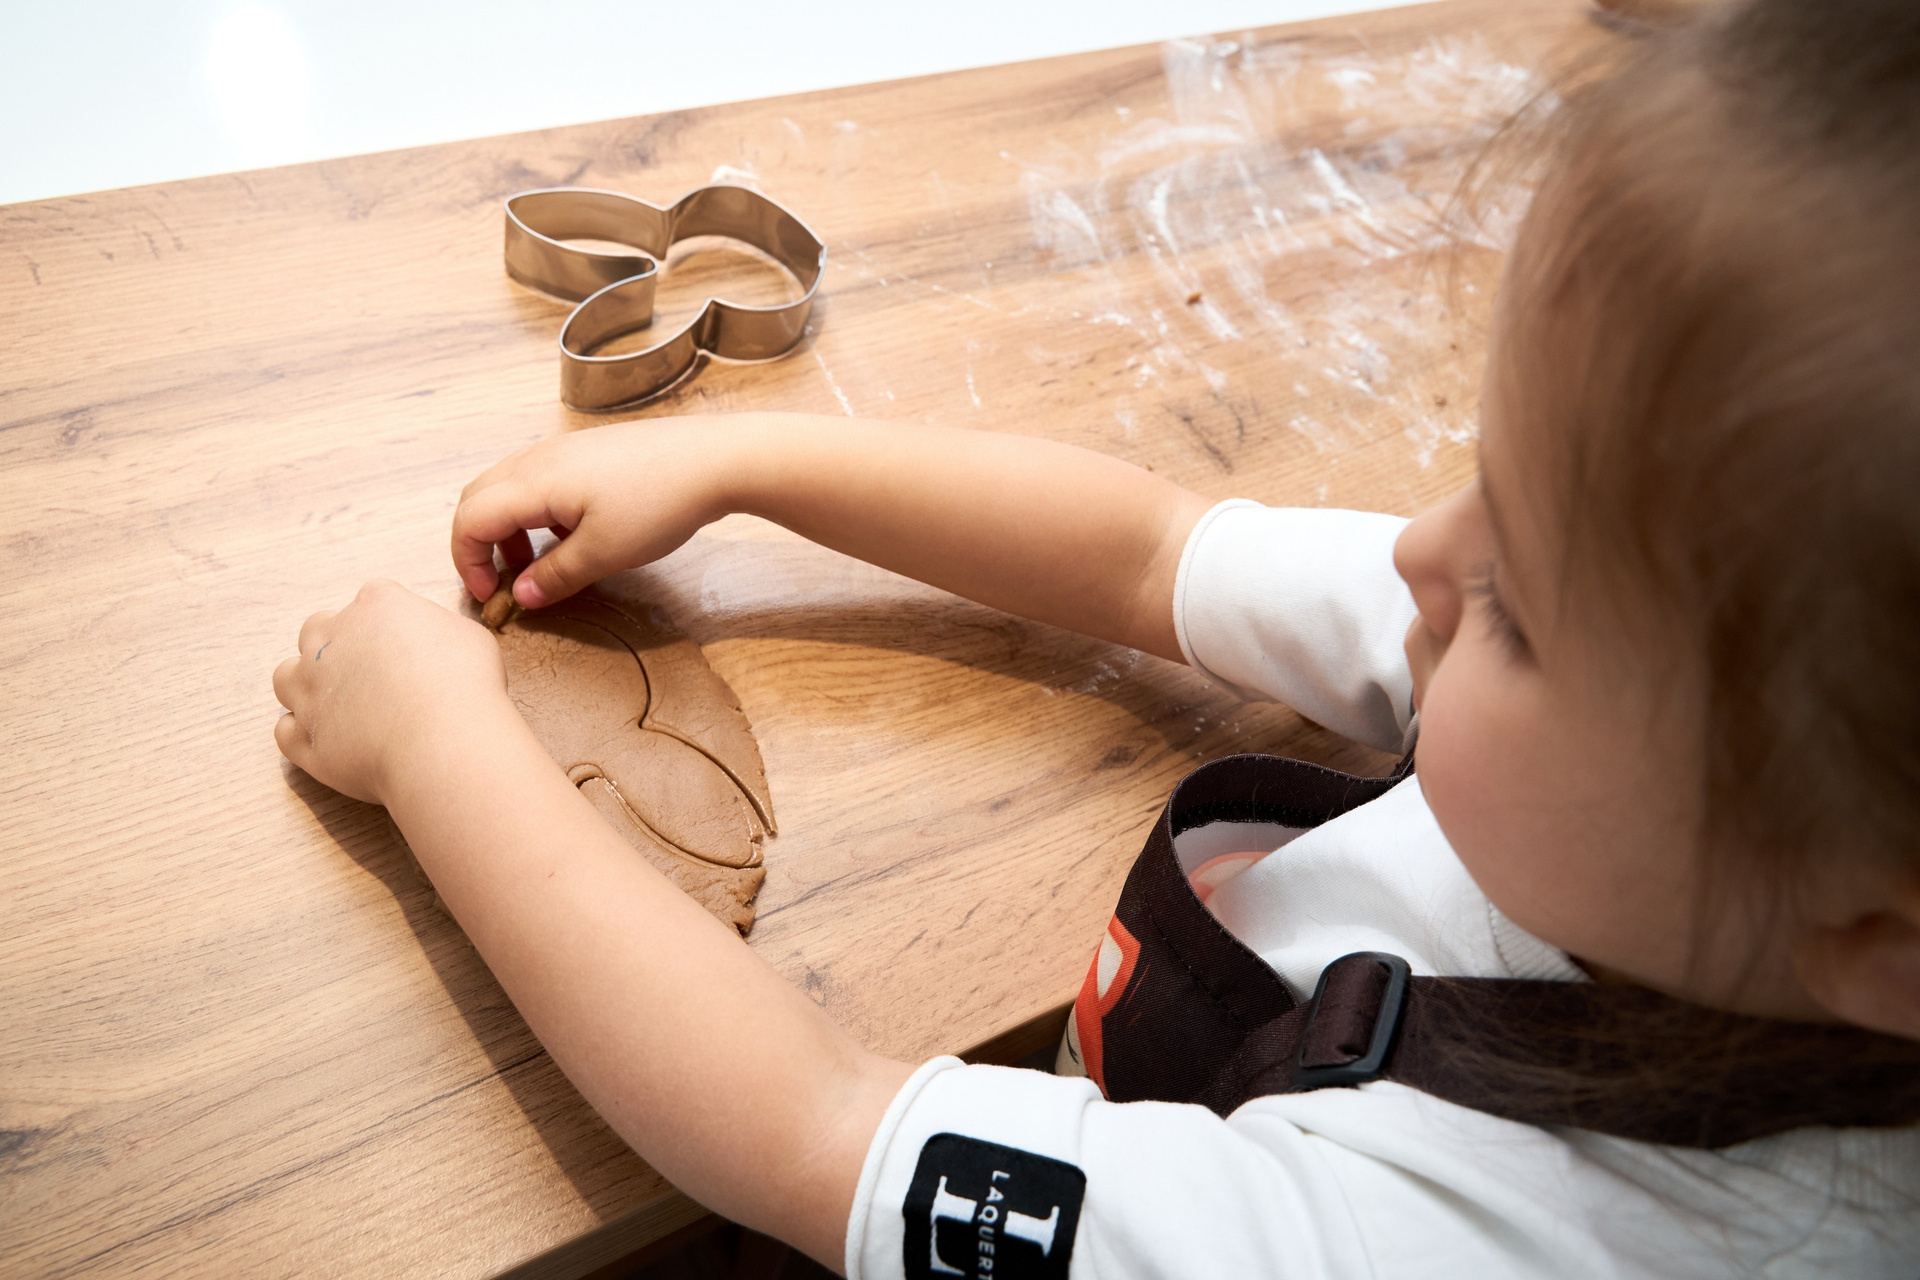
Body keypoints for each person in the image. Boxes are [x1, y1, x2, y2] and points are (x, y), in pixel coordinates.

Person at [272, 1, 1920, 1274]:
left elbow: (807, 1127)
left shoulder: (1460, 1238)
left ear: (1881, 933)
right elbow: (1151, 550)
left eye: (1523, 609)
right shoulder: (1695, 730)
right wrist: (741, 463)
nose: (1420, 553)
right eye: (1480, 483)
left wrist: (437, 746)